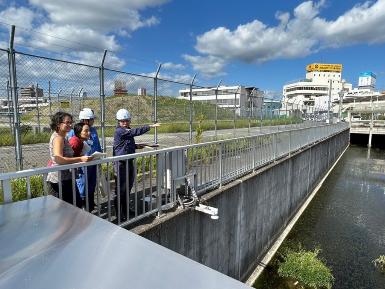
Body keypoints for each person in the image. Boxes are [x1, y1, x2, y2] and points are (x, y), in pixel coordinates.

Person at [113, 108, 160, 221]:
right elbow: (134, 132)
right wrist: (150, 126)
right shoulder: (120, 131)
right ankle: (119, 214)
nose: (125, 123)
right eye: (123, 121)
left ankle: (126, 210)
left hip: (129, 161)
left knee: (128, 188)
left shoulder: (126, 130)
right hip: (121, 164)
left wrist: (137, 146)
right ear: (118, 121)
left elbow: (126, 144)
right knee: (120, 190)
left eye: (127, 120)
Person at [47, 112, 93, 207]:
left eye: (71, 122)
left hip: (65, 178)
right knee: (68, 209)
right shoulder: (58, 138)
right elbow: (59, 159)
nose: (70, 125)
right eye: (67, 122)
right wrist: (80, 159)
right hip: (59, 180)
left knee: (74, 207)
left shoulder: (62, 137)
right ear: (58, 124)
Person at [68, 108, 102, 211]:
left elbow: (97, 145)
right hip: (83, 165)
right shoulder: (74, 132)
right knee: (82, 185)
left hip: (93, 162)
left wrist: (100, 157)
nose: (93, 121)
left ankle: (90, 205)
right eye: (91, 119)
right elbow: (71, 150)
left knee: (92, 185)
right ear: (85, 120)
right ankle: (82, 207)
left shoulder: (93, 130)